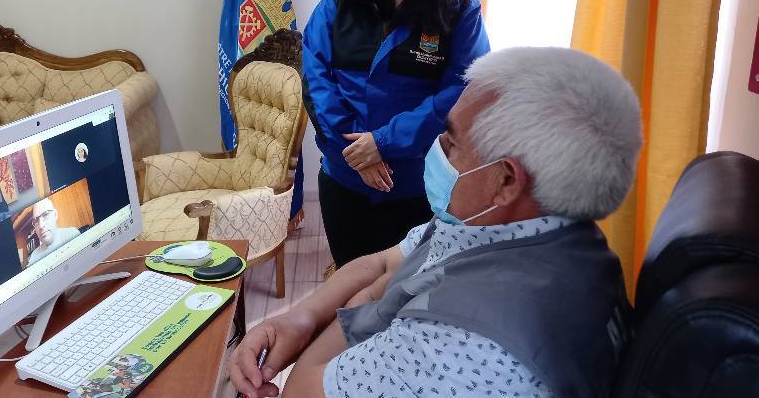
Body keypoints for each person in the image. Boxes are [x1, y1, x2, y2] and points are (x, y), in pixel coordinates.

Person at [231, 47, 644, 398]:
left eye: (450, 143)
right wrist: (299, 319)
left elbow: (302, 389)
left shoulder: (466, 354)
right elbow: (383, 264)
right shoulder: (537, 229)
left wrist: (365, 303)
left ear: (504, 180)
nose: (437, 151)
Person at [302, 0, 490, 267]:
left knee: (407, 294)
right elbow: (316, 78)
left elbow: (460, 93)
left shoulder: (459, 13)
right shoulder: (340, 2)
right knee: (351, 288)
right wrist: (360, 154)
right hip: (345, 179)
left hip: (417, 186)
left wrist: (384, 142)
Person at [26, 198, 80, 266]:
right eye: (36, 221)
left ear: (55, 214)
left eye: (45, 215)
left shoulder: (73, 235)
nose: (41, 226)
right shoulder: (34, 258)